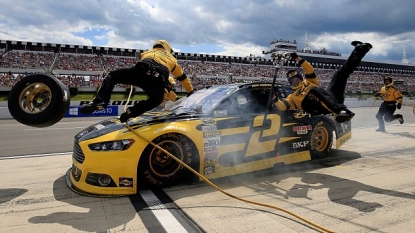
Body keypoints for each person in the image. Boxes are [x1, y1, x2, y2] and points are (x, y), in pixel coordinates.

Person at [80, 39, 194, 122]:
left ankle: (100, 101)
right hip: (160, 78)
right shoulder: (172, 59)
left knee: (112, 76)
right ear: (168, 49)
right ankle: (132, 112)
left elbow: (140, 61)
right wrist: (190, 93)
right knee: (155, 100)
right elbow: (183, 79)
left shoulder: (148, 52)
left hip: (142, 69)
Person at [273, 41, 372, 123]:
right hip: (316, 109)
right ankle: (341, 111)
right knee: (313, 91)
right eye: (293, 80)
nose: (295, 80)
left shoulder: (309, 81)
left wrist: (297, 58)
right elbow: (283, 107)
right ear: (290, 83)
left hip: (329, 98)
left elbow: (309, 69)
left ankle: (360, 50)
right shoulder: (292, 97)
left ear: (300, 78)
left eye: (297, 78)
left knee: (340, 74)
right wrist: (274, 99)